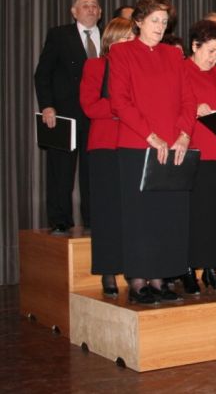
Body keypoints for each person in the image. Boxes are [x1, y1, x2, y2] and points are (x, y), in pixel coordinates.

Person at [109, 0, 195, 305]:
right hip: (138, 145)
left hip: (174, 147)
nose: (160, 26)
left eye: (164, 21)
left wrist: (184, 135)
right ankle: (137, 281)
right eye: (154, 20)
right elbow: (120, 101)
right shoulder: (121, 53)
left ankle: (161, 278)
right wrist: (151, 136)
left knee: (169, 215)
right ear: (139, 22)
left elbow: (188, 100)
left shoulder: (174, 56)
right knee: (140, 216)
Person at [35, 0, 102, 234]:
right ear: (74, 12)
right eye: (85, 5)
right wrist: (47, 106)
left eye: (94, 5)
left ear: (101, 12)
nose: (90, 9)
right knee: (60, 171)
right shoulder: (59, 35)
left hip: (98, 116)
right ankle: (60, 221)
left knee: (93, 172)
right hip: (65, 114)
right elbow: (42, 74)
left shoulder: (109, 39)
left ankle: (94, 219)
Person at [79, 17, 134, 298]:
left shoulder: (137, 69)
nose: (129, 43)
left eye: (132, 39)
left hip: (134, 145)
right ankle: (108, 271)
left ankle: (133, 266)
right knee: (107, 213)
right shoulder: (96, 66)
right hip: (105, 147)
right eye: (125, 38)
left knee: (131, 212)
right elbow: (90, 105)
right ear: (111, 41)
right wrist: (122, 108)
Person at [180, 20, 216, 294]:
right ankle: (188, 269)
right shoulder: (180, 72)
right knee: (193, 214)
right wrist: (193, 111)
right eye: (210, 51)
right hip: (191, 152)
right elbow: (170, 110)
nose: (214, 58)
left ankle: (213, 268)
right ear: (195, 46)